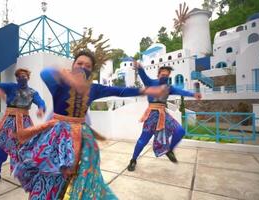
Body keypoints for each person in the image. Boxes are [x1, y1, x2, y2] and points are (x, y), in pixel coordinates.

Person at [13, 50, 168, 199]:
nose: (82, 67)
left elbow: (120, 91)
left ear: (91, 71)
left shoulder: (94, 88)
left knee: (80, 177)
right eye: (79, 63)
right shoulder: (59, 83)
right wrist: (64, 74)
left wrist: (147, 91)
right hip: (56, 136)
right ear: (73, 65)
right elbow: (44, 73)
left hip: (82, 137)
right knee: (52, 174)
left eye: (87, 66)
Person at [127, 62, 202, 172]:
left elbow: (181, 91)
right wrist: (139, 68)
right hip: (151, 116)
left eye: (167, 76)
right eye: (163, 75)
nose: (165, 77)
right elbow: (143, 75)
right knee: (142, 141)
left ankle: (169, 150)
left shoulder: (168, 87)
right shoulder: (150, 83)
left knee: (180, 131)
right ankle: (133, 160)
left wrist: (193, 95)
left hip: (163, 115)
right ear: (158, 75)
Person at [0, 68, 46, 188]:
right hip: (8, 122)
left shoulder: (33, 92)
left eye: (24, 75)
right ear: (16, 77)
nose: (22, 77)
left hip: (24, 123)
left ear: (28, 78)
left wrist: (40, 109)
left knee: (27, 149)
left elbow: (41, 102)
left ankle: (28, 176)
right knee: (0, 146)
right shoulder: (11, 87)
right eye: (19, 76)